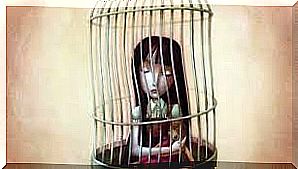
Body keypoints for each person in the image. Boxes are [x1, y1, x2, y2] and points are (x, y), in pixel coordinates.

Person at [130, 36, 190, 163]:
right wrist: (168, 149)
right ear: (136, 72)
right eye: (146, 71)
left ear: (175, 77)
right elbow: (135, 150)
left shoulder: (173, 109)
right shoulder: (139, 111)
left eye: (166, 73)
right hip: (147, 160)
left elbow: (180, 145)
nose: (155, 82)